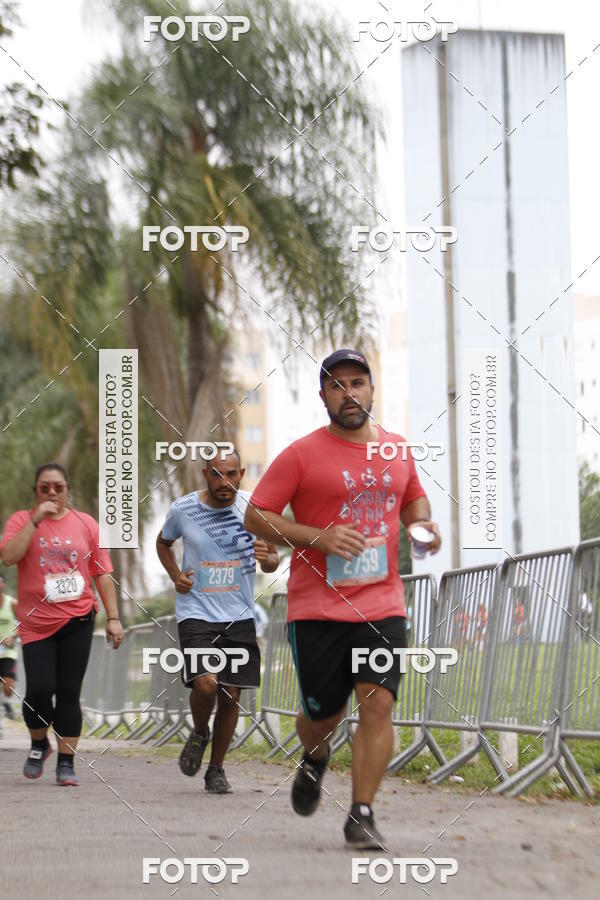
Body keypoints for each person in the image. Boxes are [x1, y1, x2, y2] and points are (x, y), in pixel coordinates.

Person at [245, 348, 441, 849]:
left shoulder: (397, 449)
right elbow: (256, 516)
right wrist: (319, 537)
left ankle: (362, 812)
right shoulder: (301, 454)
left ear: (372, 390)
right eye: (337, 385)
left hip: (382, 604)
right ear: (324, 397)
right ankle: (314, 756)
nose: (348, 393)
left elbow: (413, 497)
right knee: (323, 716)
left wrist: (422, 524)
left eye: (357, 382)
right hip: (317, 609)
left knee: (378, 704)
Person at [156, 447, 279, 793]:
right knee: (207, 683)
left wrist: (268, 557)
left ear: (241, 474)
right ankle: (199, 732)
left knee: (231, 694)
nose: (225, 482)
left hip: (239, 614)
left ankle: (216, 769)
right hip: (195, 612)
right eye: (216, 474)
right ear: (205, 474)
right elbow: (163, 544)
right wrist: (175, 574)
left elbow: (272, 562)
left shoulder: (255, 509)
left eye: (232, 474)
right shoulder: (183, 509)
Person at [0, 463, 123, 785]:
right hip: (36, 623)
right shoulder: (20, 520)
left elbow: (102, 573)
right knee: (39, 690)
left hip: (78, 617)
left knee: (69, 692)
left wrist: (113, 618)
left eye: (58, 487)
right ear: (36, 492)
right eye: (45, 488)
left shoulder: (86, 524)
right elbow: (9, 557)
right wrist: (36, 519)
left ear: (68, 490)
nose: (52, 492)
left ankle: (66, 762)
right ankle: (40, 743)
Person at [0, 574, 18, 732]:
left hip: (7, 653)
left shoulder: (11, 603)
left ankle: (5, 702)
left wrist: (13, 636)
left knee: (8, 688)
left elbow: (23, 622)